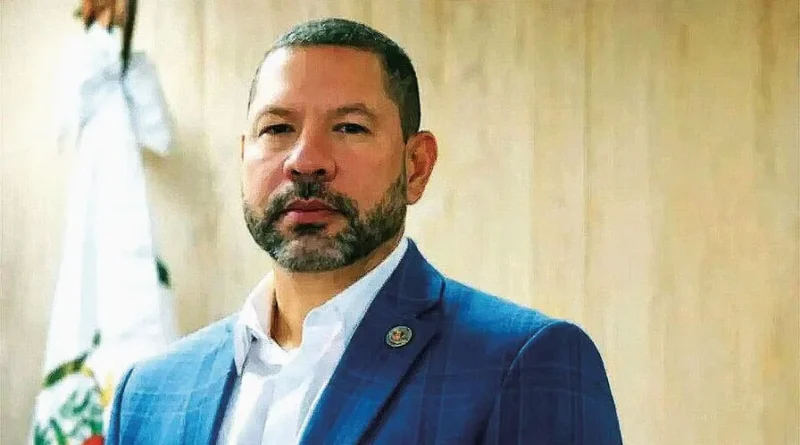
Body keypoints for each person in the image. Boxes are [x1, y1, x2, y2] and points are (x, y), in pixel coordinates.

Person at [106, 17, 622, 444]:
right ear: (244, 157)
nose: (306, 161)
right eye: (277, 128)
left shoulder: (522, 364)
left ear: (416, 166)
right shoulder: (148, 396)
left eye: (349, 127)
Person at [32, 0, 178, 443]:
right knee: (87, 284)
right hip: (93, 193)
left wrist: (130, 69)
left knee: (138, 288)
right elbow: (65, 121)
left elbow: (161, 136)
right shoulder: (81, 55)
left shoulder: (136, 66)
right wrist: (104, 56)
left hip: (132, 201)